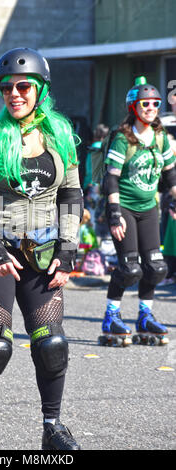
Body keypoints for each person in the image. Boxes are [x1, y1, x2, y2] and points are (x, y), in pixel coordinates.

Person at [0, 48, 83, 451]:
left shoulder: (61, 136)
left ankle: (53, 427)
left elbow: (73, 196)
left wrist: (68, 252)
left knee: (52, 345)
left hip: (45, 256)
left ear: (40, 89)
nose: (15, 93)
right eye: (7, 87)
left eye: (23, 86)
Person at [99, 76, 176, 347]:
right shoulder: (123, 138)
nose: (151, 108)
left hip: (149, 209)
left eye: (156, 103)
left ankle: (144, 316)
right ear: (134, 106)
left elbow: (170, 174)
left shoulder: (161, 137)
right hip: (126, 209)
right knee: (130, 269)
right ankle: (111, 316)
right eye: (146, 103)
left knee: (156, 267)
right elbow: (111, 178)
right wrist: (114, 213)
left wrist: (174, 199)